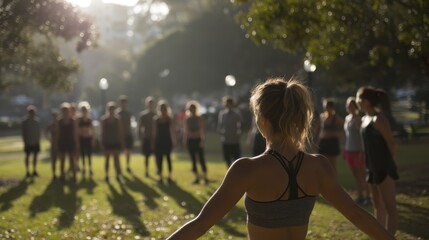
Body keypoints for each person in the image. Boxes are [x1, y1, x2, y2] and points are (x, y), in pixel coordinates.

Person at [167, 78, 394, 240]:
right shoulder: (319, 166)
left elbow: (201, 225)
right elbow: (356, 215)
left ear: (263, 121)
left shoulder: (246, 170)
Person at [356, 87, 399, 234]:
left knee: (390, 207)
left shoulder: (379, 119)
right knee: (377, 205)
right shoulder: (364, 119)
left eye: (358, 99)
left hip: (384, 167)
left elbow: (391, 143)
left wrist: (390, 163)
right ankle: (379, 235)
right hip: (371, 167)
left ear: (366, 101)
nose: (356, 102)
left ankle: (389, 237)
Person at [344, 97, 370, 205]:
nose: (349, 107)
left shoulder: (359, 119)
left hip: (358, 151)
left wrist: (362, 152)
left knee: (363, 176)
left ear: (356, 106)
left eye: (352, 105)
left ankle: (368, 197)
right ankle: (360, 196)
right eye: (348, 105)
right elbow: (347, 136)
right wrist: (344, 149)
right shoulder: (347, 118)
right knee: (356, 176)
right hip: (349, 150)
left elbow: (362, 137)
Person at [184, 100, 208, 185]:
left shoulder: (199, 118)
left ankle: (205, 178)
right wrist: (186, 141)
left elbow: (203, 130)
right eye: (191, 109)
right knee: (193, 160)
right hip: (191, 141)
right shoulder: (188, 119)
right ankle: (197, 178)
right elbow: (186, 131)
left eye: (193, 108)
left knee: (201, 159)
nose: (192, 110)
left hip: (198, 140)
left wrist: (202, 140)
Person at [152, 100, 176, 184]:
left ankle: (170, 176)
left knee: (168, 158)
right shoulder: (156, 119)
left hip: (167, 141)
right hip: (159, 141)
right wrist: (154, 142)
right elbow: (155, 132)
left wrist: (174, 141)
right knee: (160, 160)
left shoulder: (169, 119)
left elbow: (172, 130)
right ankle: (160, 177)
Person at [318, 98, 344, 173]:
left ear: (332, 107)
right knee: (323, 162)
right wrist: (319, 140)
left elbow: (345, 126)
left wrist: (338, 134)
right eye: (326, 106)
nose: (327, 108)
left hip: (332, 142)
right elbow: (321, 130)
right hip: (323, 142)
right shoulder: (322, 116)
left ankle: (334, 182)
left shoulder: (336, 118)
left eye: (329, 106)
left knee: (332, 164)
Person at [101, 101, 124, 182]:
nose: (111, 111)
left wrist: (121, 142)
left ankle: (117, 174)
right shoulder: (104, 120)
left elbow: (120, 131)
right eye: (110, 109)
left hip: (115, 142)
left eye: (113, 109)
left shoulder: (117, 119)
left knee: (116, 159)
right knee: (107, 159)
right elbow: (102, 132)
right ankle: (107, 175)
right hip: (107, 142)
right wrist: (102, 142)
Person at [55, 102, 79, 183]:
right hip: (62, 142)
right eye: (64, 111)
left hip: (71, 142)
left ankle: (74, 177)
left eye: (67, 111)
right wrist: (56, 143)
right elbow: (58, 133)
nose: (65, 112)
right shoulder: (59, 121)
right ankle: (62, 177)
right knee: (62, 160)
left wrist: (76, 143)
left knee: (72, 160)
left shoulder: (73, 120)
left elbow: (75, 133)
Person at [217, 96, 242, 167]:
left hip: (234, 140)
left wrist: (239, 134)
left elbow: (241, 125)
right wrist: (221, 134)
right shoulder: (222, 114)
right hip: (226, 140)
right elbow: (220, 126)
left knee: (237, 159)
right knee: (227, 159)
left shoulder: (236, 114)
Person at [138, 96, 157, 177]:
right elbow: (140, 127)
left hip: (155, 138)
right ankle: (146, 171)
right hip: (146, 137)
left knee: (157, 155)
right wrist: (140, 137)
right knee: (146, 156)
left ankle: (158, 170)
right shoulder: (143, 115)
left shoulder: (156, 115)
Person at [21, 105, 41, 178]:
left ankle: (34, 170)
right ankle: (27, 171)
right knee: (27, 156)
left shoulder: (37, 122)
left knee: (35, 157)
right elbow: (23, 132)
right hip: (28, 142)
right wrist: (25, 141)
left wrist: (38, 140)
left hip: (35, 142)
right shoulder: (25, 122)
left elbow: (38, 132)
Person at [77, 101, 95, 177]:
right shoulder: (79, 120)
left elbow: (91, 130)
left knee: (89, 155)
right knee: (83, 155)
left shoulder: (89, 119)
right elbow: (78, 130)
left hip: (88, 138)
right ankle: (84, 168)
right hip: (82, 138)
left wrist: (92, 139)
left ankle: (90, 169)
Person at [117, 95, 134, 173]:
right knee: (118, 151)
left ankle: (127, 165)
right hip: (119, 135)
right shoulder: (117, 113)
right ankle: (118, 166)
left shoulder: (129, 113)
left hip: (128, 134)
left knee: (128, 150)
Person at [44, 110, 58, 179]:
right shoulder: (51, 125)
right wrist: (49, 139)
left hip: (60, 145)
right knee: (54, 160)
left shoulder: (59, 124)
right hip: (53, 145)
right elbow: (45, 132)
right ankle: (54, 174)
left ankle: (62, 173)